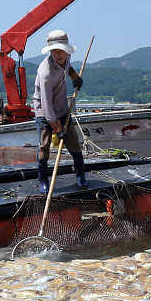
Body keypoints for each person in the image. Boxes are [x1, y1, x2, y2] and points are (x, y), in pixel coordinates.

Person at [31, 29, 85, 193]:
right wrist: (57, 129)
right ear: (50, 51)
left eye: (61, 50)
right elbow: (46, 107)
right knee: (45, 147)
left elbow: (68, 67)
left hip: (62, 108)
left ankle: (81, 177)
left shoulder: (66, 57)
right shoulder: (45, 73)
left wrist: (75, 77)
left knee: (74, 143)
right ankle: (43, 181)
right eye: (55, 51)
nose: (59, 54)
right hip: (44, 112)